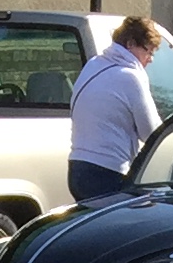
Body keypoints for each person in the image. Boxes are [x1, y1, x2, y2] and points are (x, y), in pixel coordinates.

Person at [67, 15, 162, 202]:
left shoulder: (93, 65)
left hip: (77, 168)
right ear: (130, 44)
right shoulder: (130, 77)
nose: (150, 59)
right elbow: (151, 133)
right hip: (108, 173)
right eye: (148, 51)